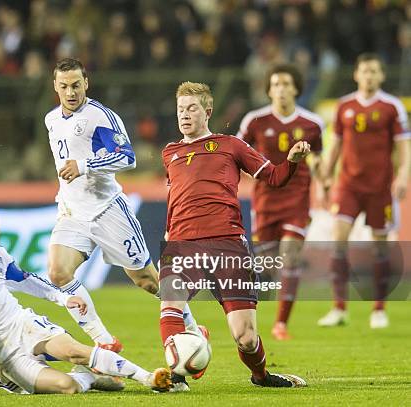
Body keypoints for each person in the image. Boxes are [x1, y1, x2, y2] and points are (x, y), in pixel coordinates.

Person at [0, 200, 171, 394]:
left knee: (75, 351)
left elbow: (26, 280)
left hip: (20, 324)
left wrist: (63, 298)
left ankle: (148, 378)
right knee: (67, 387)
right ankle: (86, 377)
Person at [159, 81, 309, 390]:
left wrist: (292, 160)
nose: (184, 115)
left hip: (228, 245)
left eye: (192, 109)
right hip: (182, 245)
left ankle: (261, 376)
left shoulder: (230, 145)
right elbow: (174, 200)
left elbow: (275, 177)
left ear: (207, 111)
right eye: (180, 110)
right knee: (170, 306)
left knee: (245, 337)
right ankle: (176, 376)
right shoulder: (169, 153)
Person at [44, 58, 200, 352]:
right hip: (72, 213)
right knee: (58, 272)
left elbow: (127, 157)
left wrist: (85, 165)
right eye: (64, 86)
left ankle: (192, 328)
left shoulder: (100, 117)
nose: (70, 92)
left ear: (86, 83)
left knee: (147, 281)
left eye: (76, 85)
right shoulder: (51, 119)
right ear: (55, 86)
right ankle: (104, 341)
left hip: (107, 211)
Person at [318, 53, 410, 329]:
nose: (369, 76)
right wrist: (325, 178)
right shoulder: (344, 106)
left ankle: (379, 308)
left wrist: (403, 177)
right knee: (338, 240)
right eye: (364, 71)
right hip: (348, 184)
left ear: (381, 76)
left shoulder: (392, 106)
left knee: (380, 246)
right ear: (356, 74)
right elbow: (334, 145)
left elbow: (403, 148)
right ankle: (339, 308)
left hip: (380, 187)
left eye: (374, 71)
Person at [237, 64, 324, 340]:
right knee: (267, 262)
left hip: (297, 197)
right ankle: (280, 290)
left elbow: (319, 158)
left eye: (286, 84)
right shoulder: (255, 121)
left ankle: (281, 324)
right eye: (276, 84)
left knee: (290, 254)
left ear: (296, 88)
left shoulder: (312, 123)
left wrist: (325, 182)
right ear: (269, 90)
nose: (281, 89)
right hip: (265, 198)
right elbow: (237, 154)